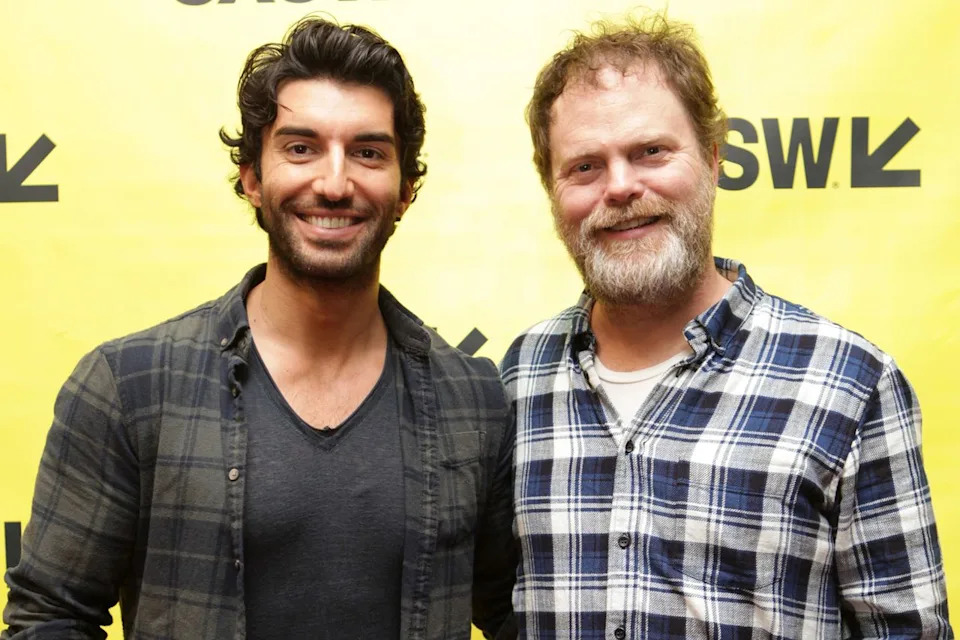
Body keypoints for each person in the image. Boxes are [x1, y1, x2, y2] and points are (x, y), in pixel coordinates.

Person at [3, 17, 516, 640]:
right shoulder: (130, 387)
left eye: (368, 152)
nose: (334, 183)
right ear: (252, 178)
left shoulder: (474, 399)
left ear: (406, 188)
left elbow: (515, 613)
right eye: (300, 148)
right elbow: (49, 616)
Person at [500, 13, 951, 640]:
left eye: (651, 152)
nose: (621, 186)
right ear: (552, 189)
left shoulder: (851, 383)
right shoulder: (520, 375)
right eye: (585, 167)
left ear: (714, 158)